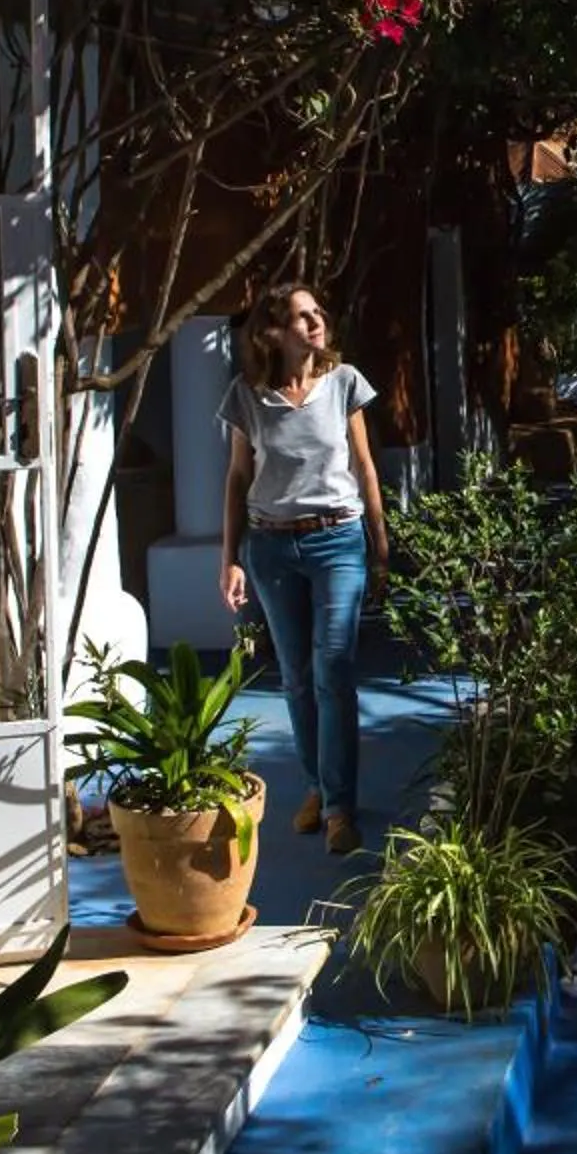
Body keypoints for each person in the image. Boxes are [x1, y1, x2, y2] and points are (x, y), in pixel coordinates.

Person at [217, 281, 388, 856]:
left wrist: (381, 543)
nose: (315, 323)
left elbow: (364, 467)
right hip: (270, 548)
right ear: (272, 333)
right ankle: (318, 786)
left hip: (337, 539)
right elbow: (238, 478)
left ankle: (340, 807)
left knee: (333, 670)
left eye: (318, 311)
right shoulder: (247, 395)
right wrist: (230, 560)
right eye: (300, 316)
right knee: (294, 676)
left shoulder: (344, 384)